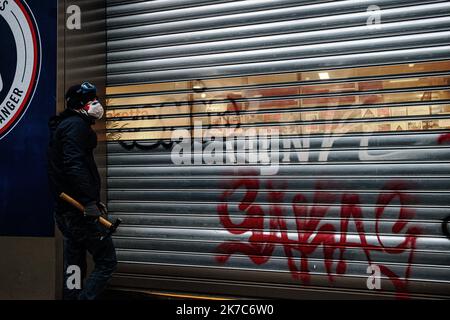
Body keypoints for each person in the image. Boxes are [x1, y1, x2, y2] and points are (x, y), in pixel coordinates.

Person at [47, 81, 117, 300]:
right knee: (107, 261)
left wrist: (92, 201)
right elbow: (74, 165)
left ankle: (72, 296)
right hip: (78, 212)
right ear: (79, 104)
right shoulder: (76, 126)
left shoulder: (66, 125)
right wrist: (88, 202)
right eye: (90, 100)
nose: (96, 104)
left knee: (75, 259)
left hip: (67, 210)